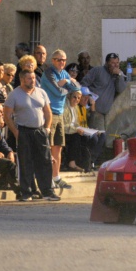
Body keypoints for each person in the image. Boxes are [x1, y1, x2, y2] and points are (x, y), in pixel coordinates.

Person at [4, 69, 60, 202]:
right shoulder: (14, 94)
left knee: (45, 161)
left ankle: (47, 191)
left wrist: (47, 128)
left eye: (34, 78)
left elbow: (48, 112)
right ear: (22, 79)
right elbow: (7, 115)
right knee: (25, 162)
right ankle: (26, 192)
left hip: (40, 131)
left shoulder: (41, 92)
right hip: (23, 131)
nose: (32, 81)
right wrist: (16, 132)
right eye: (29, 78)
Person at [41, 49, 77, 191]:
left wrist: (67, 81)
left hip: (60, 113)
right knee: (48, 148)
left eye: (64, 60)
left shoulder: (64, 74)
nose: (62, 62)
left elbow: (77, 87)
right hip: (49, 113)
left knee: (58, 146)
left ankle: (56, 177)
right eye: (59, 60)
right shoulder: (48, 73)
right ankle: (48, 178)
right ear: (53, 60)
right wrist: (68, 86)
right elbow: (57, 91)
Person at [81, 52, 127, 132]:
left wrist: (119, 76)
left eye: (117, 63)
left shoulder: (119, 75)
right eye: (112, 63)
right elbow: (83, 84)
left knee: (102, 138)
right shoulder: (97, 70)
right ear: (107, 63)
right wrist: (89, 96)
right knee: (99, 136)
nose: (115, 65)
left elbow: (120, 89)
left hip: (107, 113)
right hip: (94, 111)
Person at [63, 87, 105, 172]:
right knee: (91, 138)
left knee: (102, 136)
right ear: (70, 96)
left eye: (79, 98)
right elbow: (67, 124)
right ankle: (82, 162)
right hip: (70, 131)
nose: (86, 99)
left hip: (80, 130)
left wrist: (92, 110)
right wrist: (78, 129)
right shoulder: (70, 107)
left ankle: (91, 160)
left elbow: (88, 124)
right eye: (75, 97)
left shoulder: (81, 108)